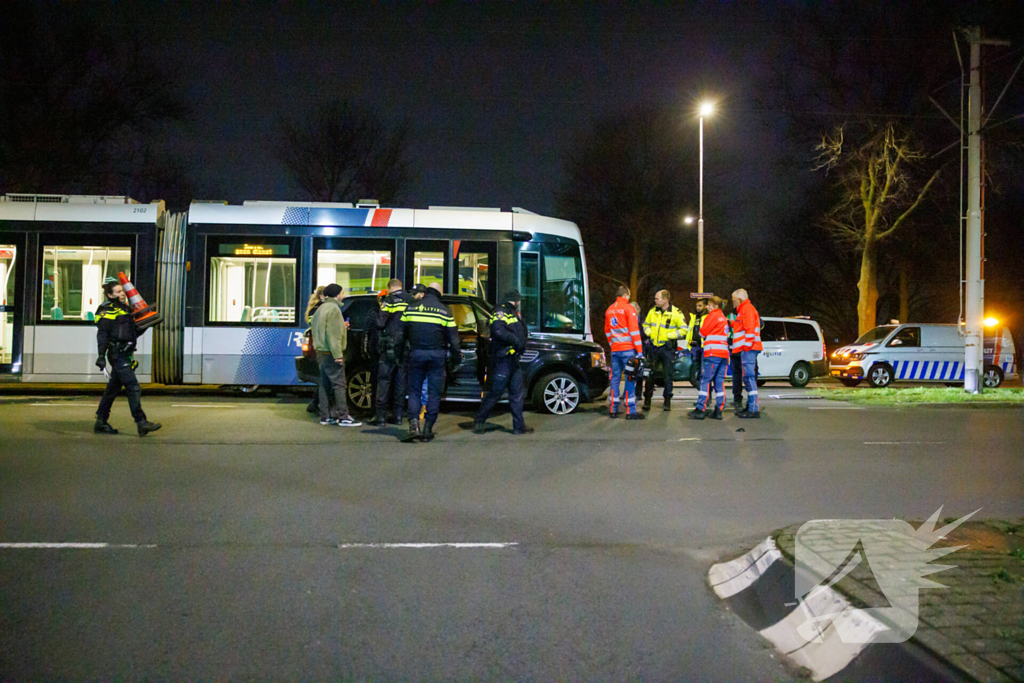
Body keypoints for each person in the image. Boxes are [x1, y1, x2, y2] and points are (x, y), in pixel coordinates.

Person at [94, 279, 161, 436]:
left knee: (112, 389)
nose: (122, 294)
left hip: (125, 353)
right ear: (110, 294)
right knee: (133, 386)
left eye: (122, 291)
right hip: (117, 354)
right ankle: (141, 422)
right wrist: (101, 356)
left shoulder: (125, 309)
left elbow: (130, 333)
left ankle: (101, 421)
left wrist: (146, 324)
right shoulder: (106, 310)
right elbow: (102, 334)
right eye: (118, 292)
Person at [397, 282, 461, 442]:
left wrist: (399, 356)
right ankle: (427, 429)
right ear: (439, 293)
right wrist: (456, 358)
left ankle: (413, 426)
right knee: (434, 393)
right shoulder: (445, 311)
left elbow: (399, 336)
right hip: (437, 356)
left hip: (416, 354)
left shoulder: (410, 308)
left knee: (414, 391)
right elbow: (454, 340)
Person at [473, 290, 533, 434]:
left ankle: (519, 427)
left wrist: (519, 345)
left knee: (517, 394)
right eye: (518, 300)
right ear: (515, 300)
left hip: (513, 359)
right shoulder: (500, 312)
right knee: (496, 392)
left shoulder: (512, 313)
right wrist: (516, 341)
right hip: (503, 359)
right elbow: (498, 331)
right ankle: (479, 421)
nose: (520, 303)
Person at [311, 283, 361, 427]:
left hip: (321, 352)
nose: (343, 295)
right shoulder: (334, 309)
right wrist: (338, 355)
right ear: (337, 294)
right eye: (342, 292)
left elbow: (319, 328)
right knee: (339, 385)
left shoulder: (321, 308)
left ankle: (325, 417)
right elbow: (333, 335)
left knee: (324, 385)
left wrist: (341, 326)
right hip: (331, 353)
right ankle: (343, 417)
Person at [369, 279, 412, 426]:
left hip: (390, 345)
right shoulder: (411, 300)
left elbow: (380, 323)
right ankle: (398, 416)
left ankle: (380, 417)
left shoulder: (389, 300)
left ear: (389, 288)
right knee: (401, 381)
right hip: (406, 345)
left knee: (384, 379)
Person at [641, 289, 687, 412]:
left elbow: (684, 330)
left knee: (667, 376)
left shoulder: (676, 313)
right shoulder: (653, 312)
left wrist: (668, 336)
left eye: (657, 298)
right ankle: (647, 400)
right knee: (650, 375)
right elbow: (645, 325)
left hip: (667, 348)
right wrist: (649, 333)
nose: (655, 300)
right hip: (654, 347)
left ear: (666, 299)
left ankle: (667, 401)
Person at [688, 296, 729, 420]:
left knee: (705, 380)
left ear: (715, 306)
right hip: (723, 354)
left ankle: (700, 409)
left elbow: (702, 332)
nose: (707, 307)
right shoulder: (723, 317)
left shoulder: (712, 316)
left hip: (712, 354)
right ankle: (719, 410)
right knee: (719, 382)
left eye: (710, 305)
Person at [604, 286, 643, 418]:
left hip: (615, 350)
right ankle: (630, 410)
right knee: (630, 378)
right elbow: (634, 331)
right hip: (628, 350)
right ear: (626, 295)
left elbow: (607, 331)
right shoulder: (629, 308)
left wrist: (613, 345)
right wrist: (640, 351)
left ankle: (613, 409)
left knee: (615, 378)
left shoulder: (609, 310)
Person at [731, 288, 763, 419]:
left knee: (749, 378)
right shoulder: (745, 309)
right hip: (747, 349)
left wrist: (747, 347)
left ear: (739, 300)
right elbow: (743, 327)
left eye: (734, 301)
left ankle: (753, 408)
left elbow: (749, 330)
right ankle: (751, 406)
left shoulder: (747, 309)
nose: (733, 303)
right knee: (747, 378)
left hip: (748, 349)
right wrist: (732, 323)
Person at [305, 286, 328, 414]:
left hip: (316, 345)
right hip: (319, 346)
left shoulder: (314, 309)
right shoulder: (317, 309)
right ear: (321, 296)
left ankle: (314, 403)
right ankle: (315, 403)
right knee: (323, 378)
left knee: (322, 377)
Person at [685, 298, 708, 405]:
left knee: (704, 375)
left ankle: (705, 399)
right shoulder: (694, 317)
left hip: (704, 347)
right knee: (696, 376)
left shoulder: (707, 317)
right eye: (697, 306)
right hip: (694, 347)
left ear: (705, 306)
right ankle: (703, 397)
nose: (697, 308)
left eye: (700, 306)